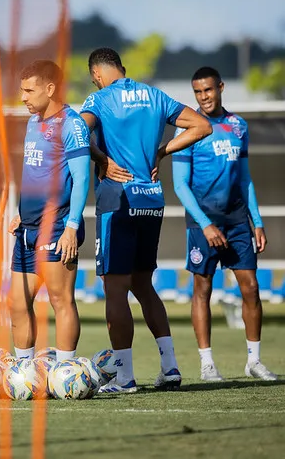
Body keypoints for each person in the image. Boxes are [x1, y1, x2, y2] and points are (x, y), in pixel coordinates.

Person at [79, 48, 211, 393]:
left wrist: (102, 158)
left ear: (96, 74)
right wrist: (162, 151)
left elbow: (76, 134)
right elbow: (202, 125)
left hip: (117, 200)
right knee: (142, 285)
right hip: (151, 200)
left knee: (115, 289)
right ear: (122, 69)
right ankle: (170, 368)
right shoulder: (154, 95)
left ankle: (124, 378)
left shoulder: (99, 99)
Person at [172, 66, 276, 382]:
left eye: (208, 90)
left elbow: (244, 178)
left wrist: (256, 221)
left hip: (236, 219)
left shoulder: (238, 126)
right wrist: (205, 224)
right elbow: (180, 185)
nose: (203, 97)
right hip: (202, 222)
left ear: (220, 88)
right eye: (198, 92)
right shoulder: (186, 129)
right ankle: (207, 364)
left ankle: (254, 361)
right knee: (202, 289)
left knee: (251, 287)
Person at [8, 60, 90, 363]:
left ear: (51, 88)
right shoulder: (33, 122)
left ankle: (67, 370)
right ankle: (24, 371)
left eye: (29, 90)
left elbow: (81, 179)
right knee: (17, 302)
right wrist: (22, 213)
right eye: (22, 90)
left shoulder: (72, 123)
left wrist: (71, 226)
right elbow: (37, 172)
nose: (24, 97)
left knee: (60, 300)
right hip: (26, 229)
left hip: (56, 228)